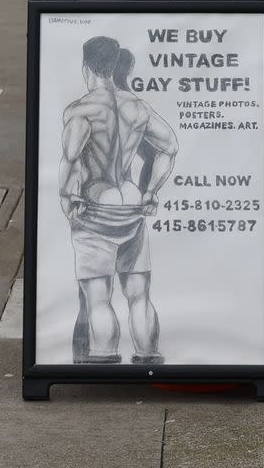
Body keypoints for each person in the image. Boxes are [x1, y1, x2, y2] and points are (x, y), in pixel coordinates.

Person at [60, 36, 178, 365]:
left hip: (96, 209)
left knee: (99, 298)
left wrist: (67, 196)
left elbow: (70, 156)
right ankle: (148, 359)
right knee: (139, 295)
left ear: (87, 68)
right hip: (131, 207)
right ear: (114, 66)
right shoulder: (137, 107)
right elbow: (169, 148)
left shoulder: (82, 110)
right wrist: (152, 190)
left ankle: (103, 361)